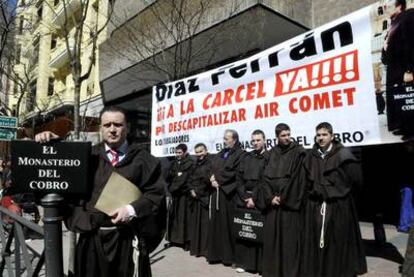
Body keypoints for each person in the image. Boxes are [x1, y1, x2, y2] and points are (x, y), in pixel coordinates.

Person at [35, 106, 166, 277]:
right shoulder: (87, 156)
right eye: (107, 125)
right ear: (100, 128)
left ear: (127, 127)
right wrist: (56, 145)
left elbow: (155, 196)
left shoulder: (145, 160)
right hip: (92, 240)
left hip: (126, 239)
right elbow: (65, 180)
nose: (112, 129)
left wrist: (130, 210)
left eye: (118, 125)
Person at [301, 122, 367, 277]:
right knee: (317, 239)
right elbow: (305, 181)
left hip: (338, 206)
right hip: (316, 205)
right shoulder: (311, 155)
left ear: (332, 136)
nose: (321, 138)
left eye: (324, 135)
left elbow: (357, 181)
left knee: (337, 239)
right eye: (318, 135)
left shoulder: (343, 154)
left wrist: (342, 196)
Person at [261, 123, 306, 277]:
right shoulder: (270, 154)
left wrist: (284, 197)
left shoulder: (299, 152)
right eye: (283, 135)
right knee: (272, 240)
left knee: (289, 242)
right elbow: (264, 178)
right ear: (277, 137)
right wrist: (270, 197)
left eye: (288, 134)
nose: (287, 138)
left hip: (288, 204)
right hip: (273, 204)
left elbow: (298, 178)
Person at [207, 129, 245, 265]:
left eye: (226, 138)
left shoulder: (240, 154)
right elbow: (212, 167)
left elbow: (235, 173)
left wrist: (219, 180)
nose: (224, 141)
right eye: (223, 138)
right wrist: (211, 178)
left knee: (228, 226)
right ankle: (217, 254)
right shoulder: (222, 153)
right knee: (217, 225)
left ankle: (229, 257)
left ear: (234, 139)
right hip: (217, 192)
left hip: (229, 194)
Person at [233, 129, 268, 273]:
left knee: (258, 233)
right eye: (253, 140)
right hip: (244, 199)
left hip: (258, 199)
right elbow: (239, 178)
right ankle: (244, 264)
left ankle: (259, 266)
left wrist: (254, 198)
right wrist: (244, 196)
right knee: (244, 232)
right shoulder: (247, 157)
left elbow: (264, 180)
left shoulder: (269, 157)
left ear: (264, 140)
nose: (255, 143)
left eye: (258, 140)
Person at [381, 0, 414, 140]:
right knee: (397, 97)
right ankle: (402, 126)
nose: (385, 9)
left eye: (388, 6)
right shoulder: (393, 23)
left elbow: (411, 44)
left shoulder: (408, 16)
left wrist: (410, 70)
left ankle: (411, 131)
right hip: (393, 68)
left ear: (399, 6)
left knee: (407, 98)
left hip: (403, 67)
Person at [166, 143, 193, 248]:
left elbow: (185, 179)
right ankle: (173, 239)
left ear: (185, 152)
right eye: (176, 152)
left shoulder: (190, 163)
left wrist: (172, 188)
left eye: (180, 152)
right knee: (173, 217)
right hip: (174, 194)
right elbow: (169, 177)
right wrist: (169, 188)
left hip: (183, 195)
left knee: (183, 218)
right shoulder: (174, 163)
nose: (177, 154)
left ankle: (185, 241)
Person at [188, 143, 213, 257]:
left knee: (205, 226)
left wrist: (197, 192)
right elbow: (190, 179)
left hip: (204, 198)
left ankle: (205, 250)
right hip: (195, 198)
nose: (199, 154)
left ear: (206, 151)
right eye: (197, 152)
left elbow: (207, 181)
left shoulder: (210, 163)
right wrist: (191, 189)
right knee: (195, 225)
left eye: (201, 151)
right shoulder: (194, 164)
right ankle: (196, 249)